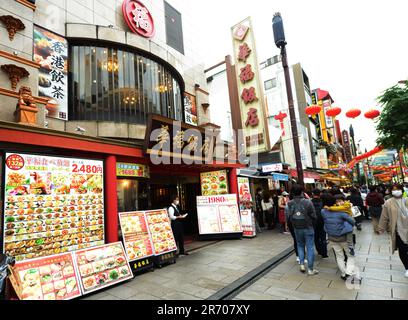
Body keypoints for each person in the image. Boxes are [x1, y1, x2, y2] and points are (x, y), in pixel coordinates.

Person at [321, 195, 359, 281]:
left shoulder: (323, 211)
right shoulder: (342, 212)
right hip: (344, 238)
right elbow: (353, 221)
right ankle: (348, 273)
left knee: (339, 256)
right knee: (351, 255)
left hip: (332, 237)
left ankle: (343, 273)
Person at [287, 185, 318, 275]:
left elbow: (289, 215)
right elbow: (314, 216)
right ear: (302, 192)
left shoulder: (290, 203)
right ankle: (310, 269)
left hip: (297, 227)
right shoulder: (308, 202)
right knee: (310, 247)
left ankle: (302, 264)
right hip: (308, 227)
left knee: (300, 245)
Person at [379, 185, 408, 278]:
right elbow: (384, 216)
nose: (396, 191)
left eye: (398, 189)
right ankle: (407, 268)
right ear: (391, 191)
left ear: (402, 190)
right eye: (394, 190)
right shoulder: (388, 202)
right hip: (398, 230)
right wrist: (381, 228)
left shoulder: (406, 200)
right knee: (402, 250)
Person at [311, 189, 328, 259]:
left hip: (313, 222)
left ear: (312, 194)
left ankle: (319, 251)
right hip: (322, 221)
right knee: (323, 237)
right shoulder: (323, 202)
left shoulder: (310, 202)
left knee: (316, 238)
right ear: (320, 194)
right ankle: (324, 253)